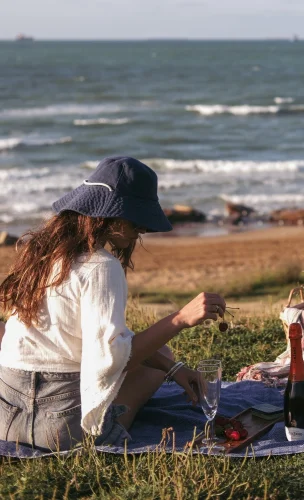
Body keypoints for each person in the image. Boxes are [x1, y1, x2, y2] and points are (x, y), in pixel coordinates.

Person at [0, 156, 226, 451]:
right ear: (112, 216)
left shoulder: (42, 254)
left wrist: (174, 368)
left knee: (161, 356)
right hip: (61, 429)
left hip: (7, 417)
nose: (143, 228)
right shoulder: (101, 266)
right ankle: (108, 429)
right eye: (138, 218)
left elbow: (88, 345)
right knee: (154, 362)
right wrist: (181, 318)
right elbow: (112, 358)